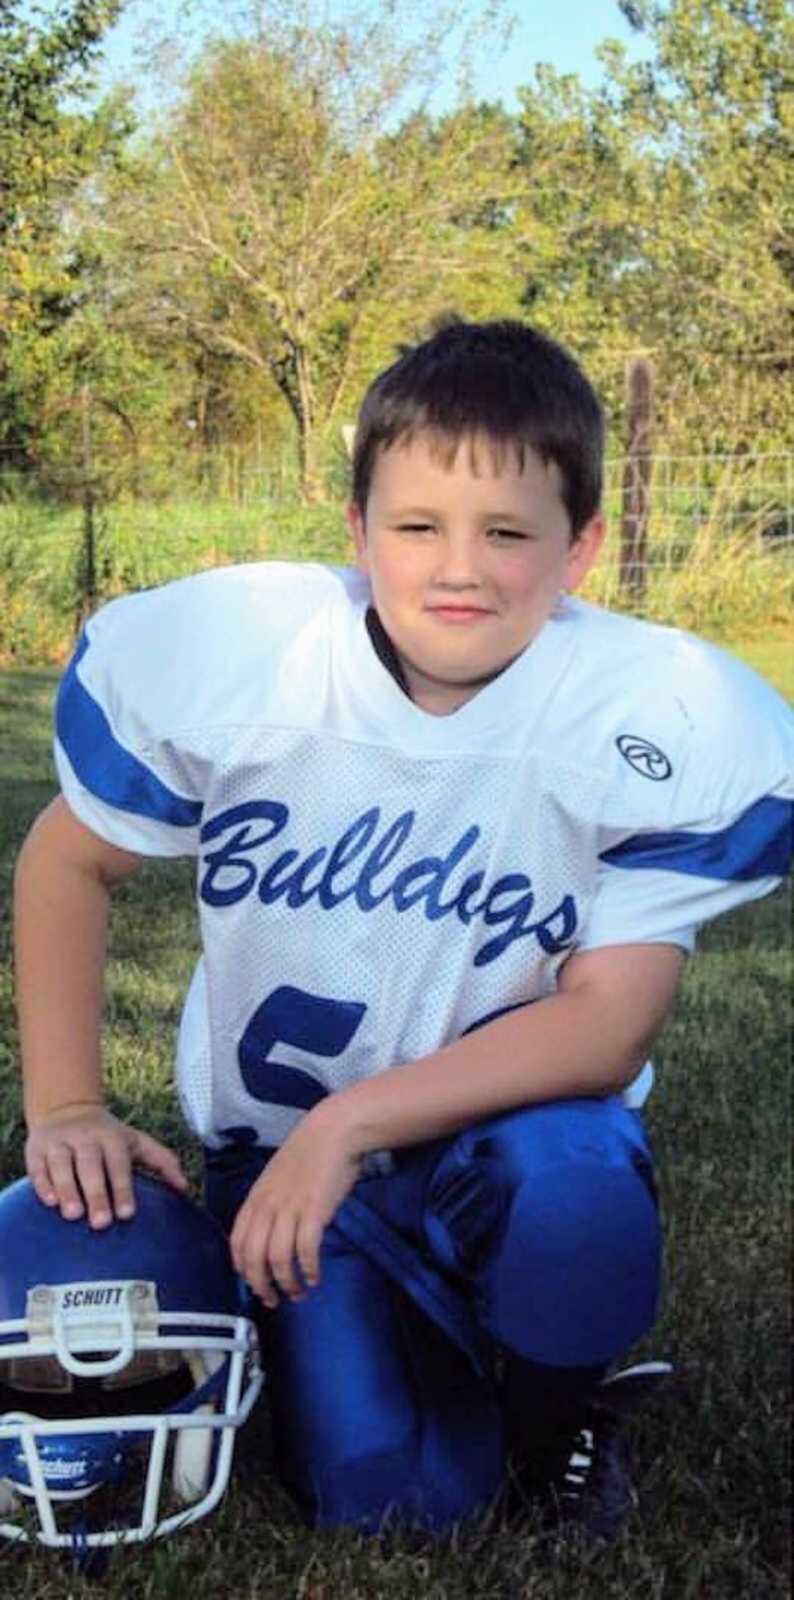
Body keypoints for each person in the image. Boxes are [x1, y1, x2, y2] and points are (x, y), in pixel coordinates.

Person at [13, 319, 794, 1540]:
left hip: (503, 1143)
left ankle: (558, 1415)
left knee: (574, 1187)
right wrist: (65, 1103)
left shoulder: (650, 712)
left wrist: (350, 1120)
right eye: (417, 526)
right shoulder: (255, 656)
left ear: (580, 547)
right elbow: (69, 857)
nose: (459, 569)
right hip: (278, 1158)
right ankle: (414, 1348)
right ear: (357, 529)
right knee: (394, 1506)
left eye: (507, 534)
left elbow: (601, 1029)